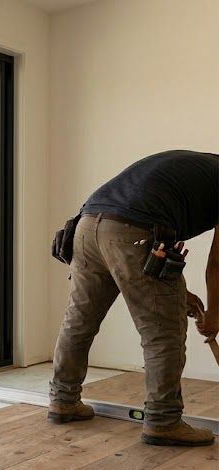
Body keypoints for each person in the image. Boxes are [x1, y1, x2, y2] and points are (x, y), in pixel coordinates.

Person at [49, 150, 218, 447]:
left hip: (86, 227)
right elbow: (217, 264)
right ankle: (164, 421)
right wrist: (214, 314)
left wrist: (180, 294)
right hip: (133, 231)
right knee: (162, 334)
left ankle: (63, 401)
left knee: (79, 321)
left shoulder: (201, 167)